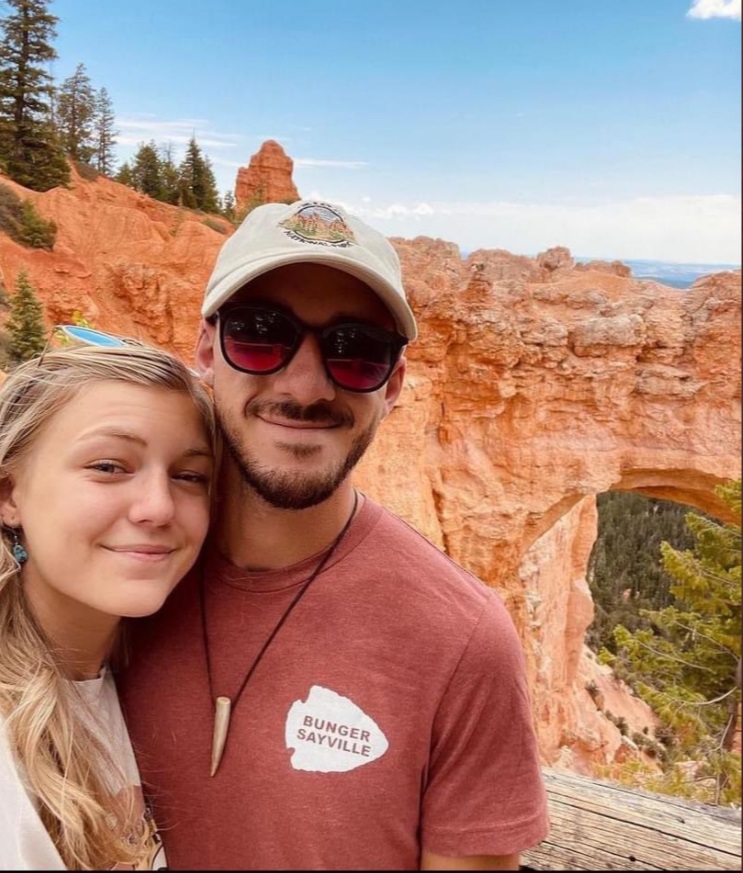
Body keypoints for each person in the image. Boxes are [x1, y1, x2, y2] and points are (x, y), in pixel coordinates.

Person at [120, 200, 550, 870]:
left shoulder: (460, 639)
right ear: (206, 350)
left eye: (355, 351)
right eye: (262, 334)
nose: (305, 384)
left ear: (394, 383)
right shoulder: (122, 568)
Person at [0, 343, 215, 870]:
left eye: (190, 476)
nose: (159, 507)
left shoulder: (148, 681)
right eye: (109, 466)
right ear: (9, 493)